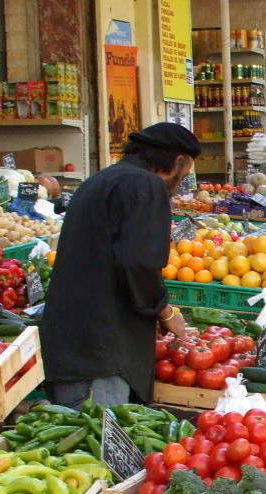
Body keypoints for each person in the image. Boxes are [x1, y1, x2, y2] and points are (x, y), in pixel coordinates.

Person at [41, 122, 198, 407]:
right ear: (177, 161)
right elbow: (138, 263)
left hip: (70, 340)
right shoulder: (144, 185)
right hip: (99, 351)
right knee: (97, 439)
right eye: (184, 175)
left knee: (75, 439)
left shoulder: (101, 180)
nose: (180, 183)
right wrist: (165, 313)